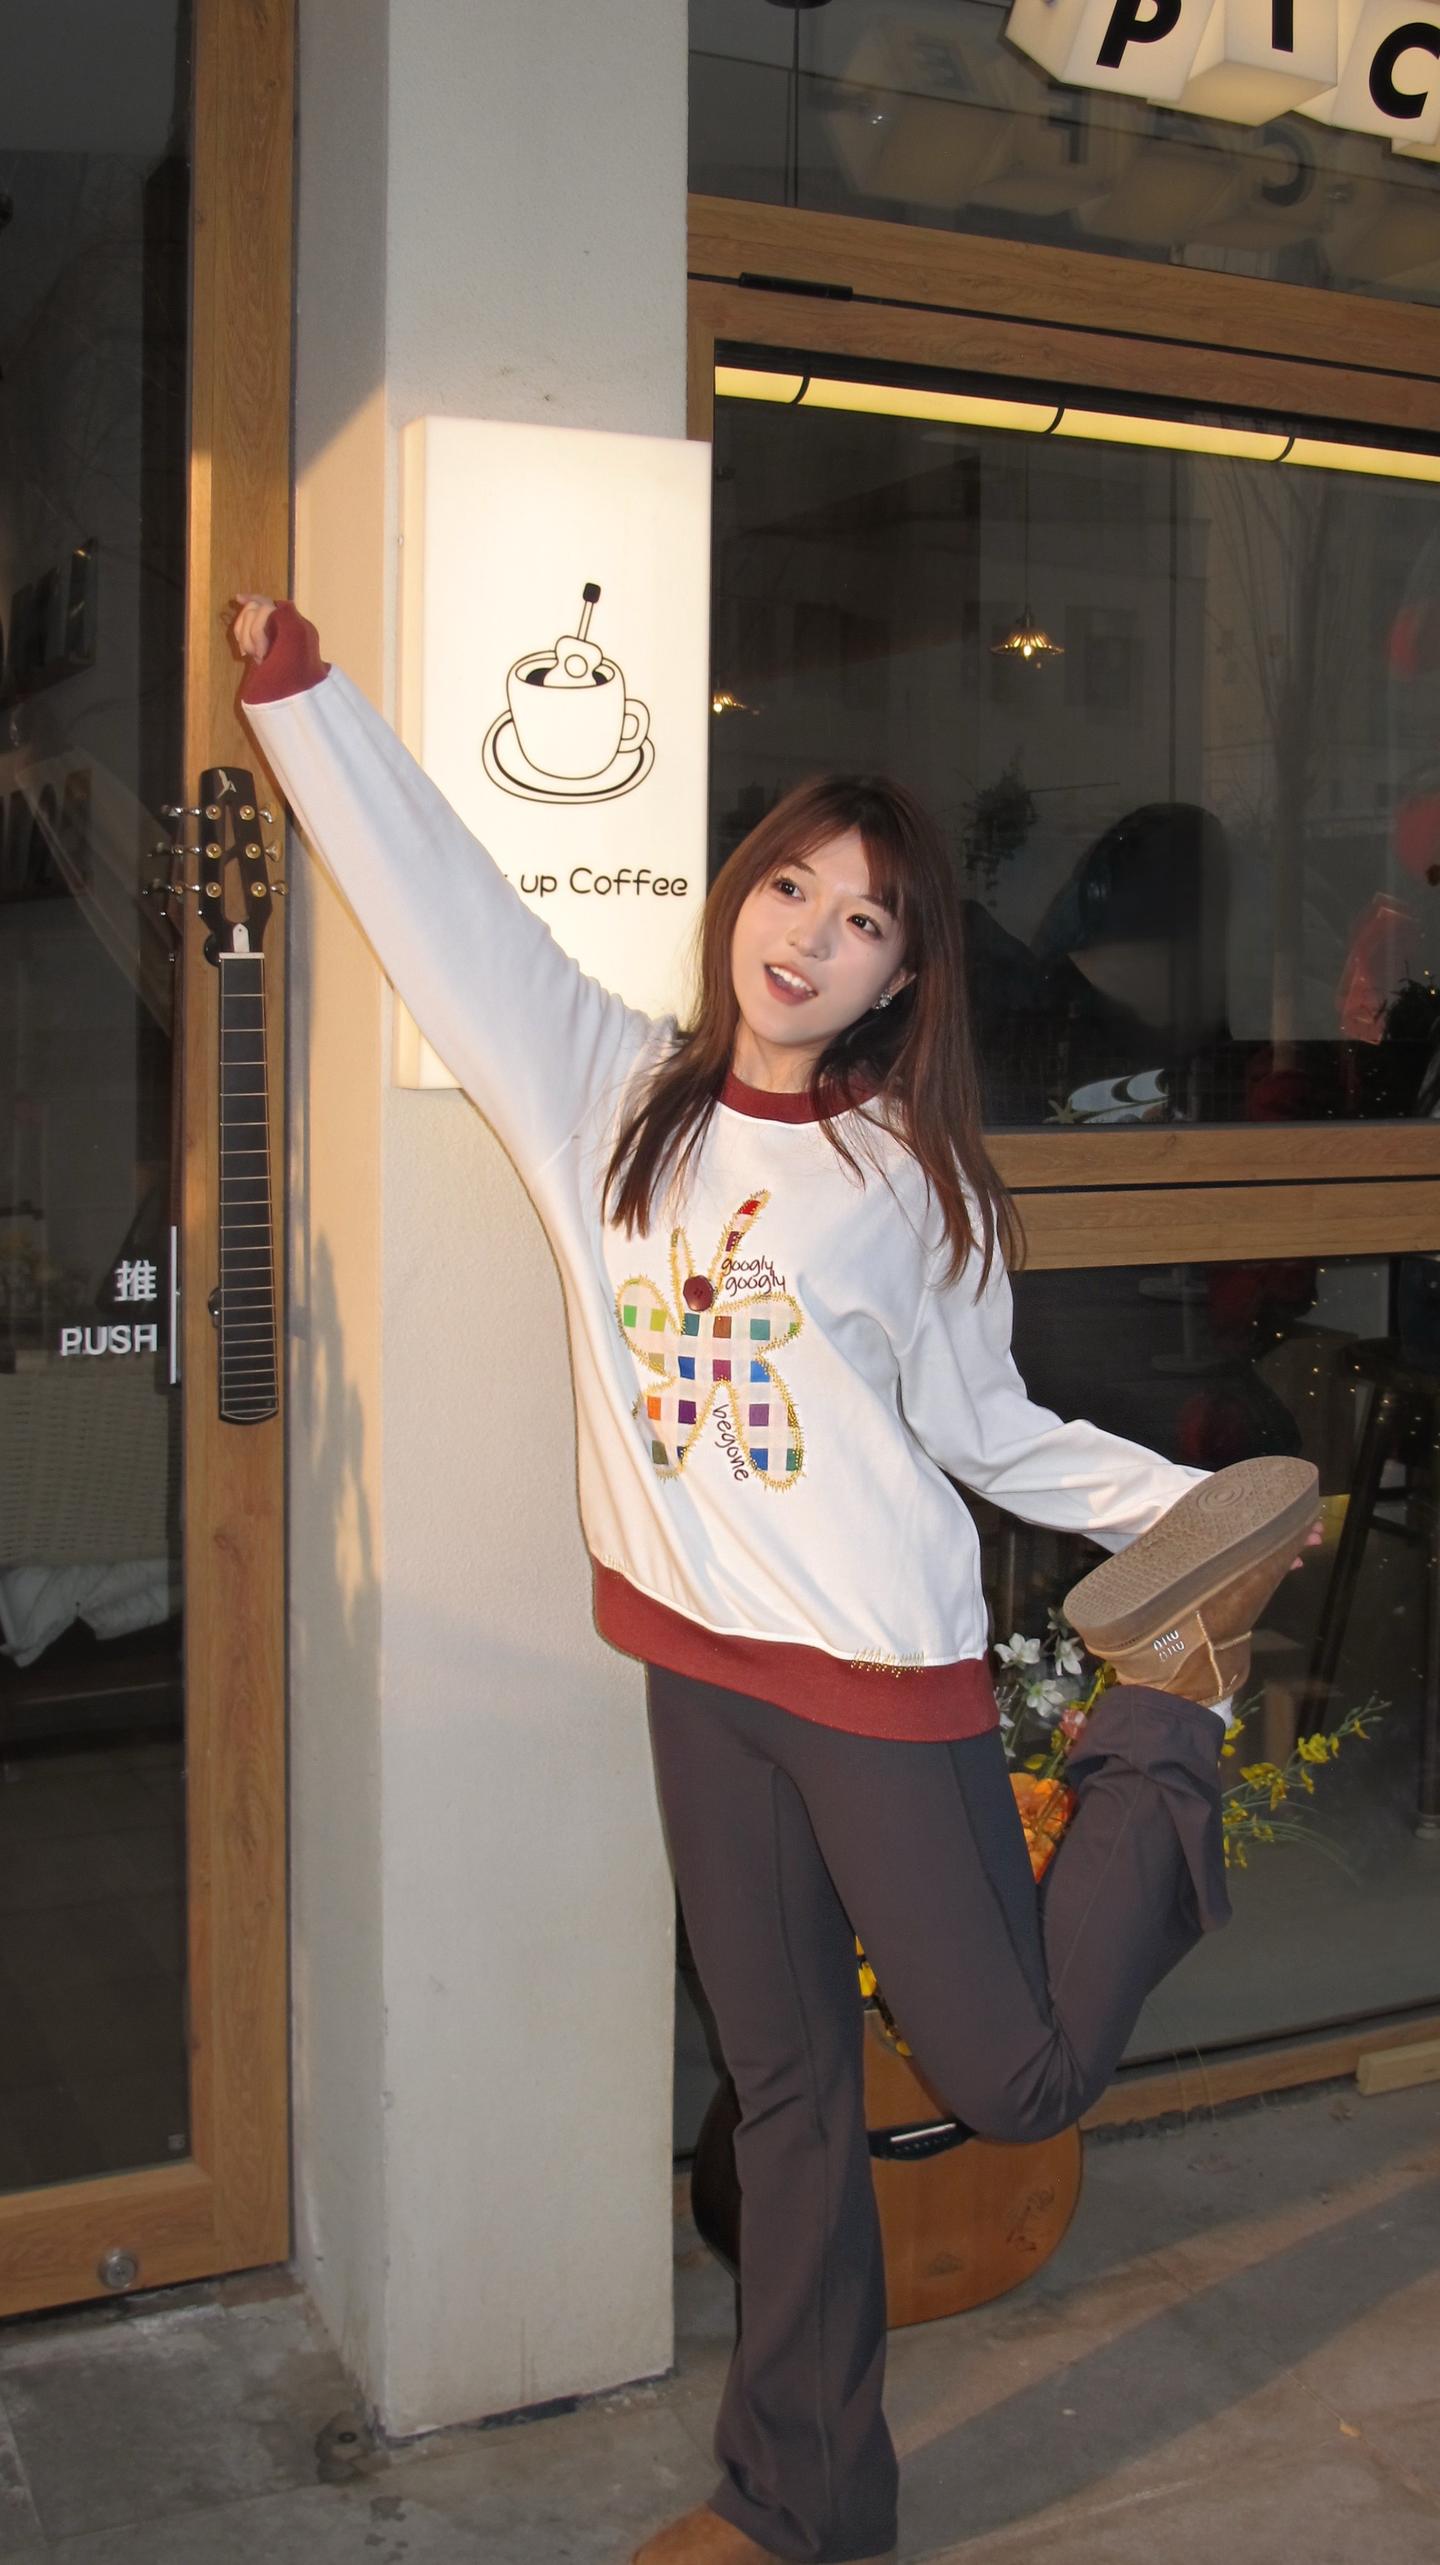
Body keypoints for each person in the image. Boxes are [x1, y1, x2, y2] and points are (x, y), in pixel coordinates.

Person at [231, 598, 1315, 2565]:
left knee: (1013, 2073)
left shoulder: (905, 1181)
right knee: (790, 2089)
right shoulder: (603, 1088)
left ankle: (1177, 1711)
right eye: (794, 885)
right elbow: (443, 900)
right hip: (699, 1674)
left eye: (867, 917)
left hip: (878, 1682)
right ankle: (798, 2497)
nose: (810, 933)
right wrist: (302, 700)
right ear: (744, 892)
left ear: (906, 973)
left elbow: (990, 1429)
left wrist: (1196, 1524)